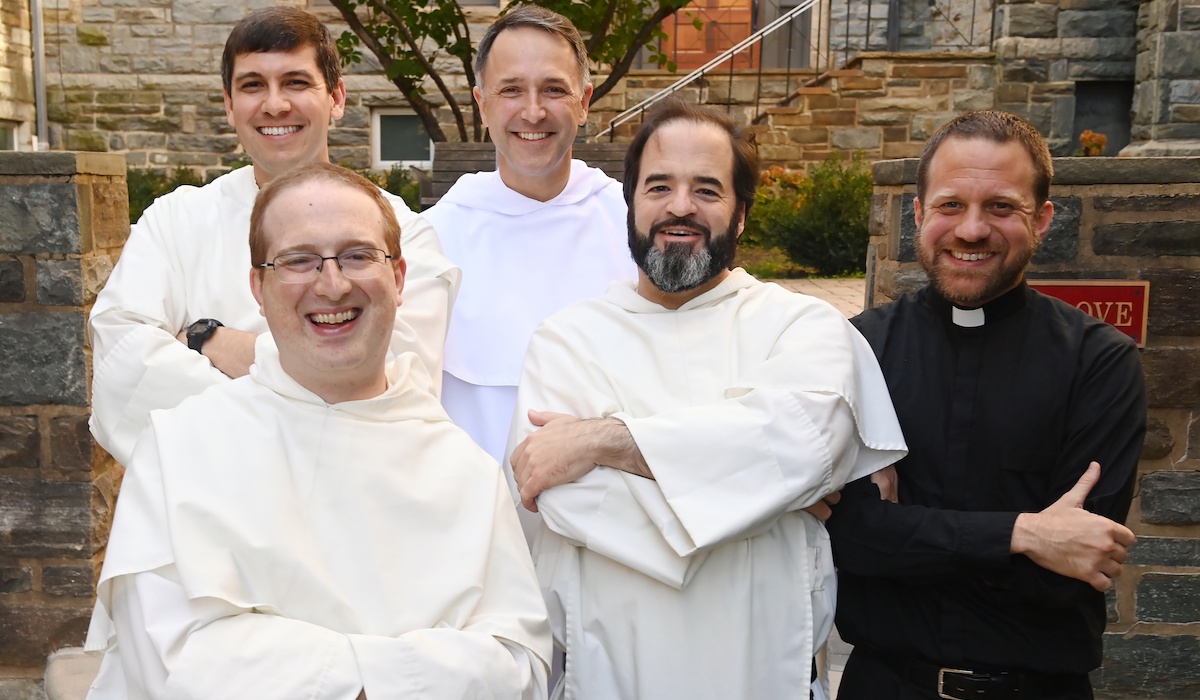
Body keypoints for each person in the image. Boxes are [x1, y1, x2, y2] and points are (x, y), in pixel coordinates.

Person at [83, 163, 550, 700]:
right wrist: (393, 677)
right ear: (258, 286)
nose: (333, 285)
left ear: (400, 279)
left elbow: (518, 664)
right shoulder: (178, 449)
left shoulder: (465, 469)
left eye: (357, 255)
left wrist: (331, 673)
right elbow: (173, 661)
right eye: (299, 261)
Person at [504, 98, 908, 700]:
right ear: (632, 204)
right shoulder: (567, 339)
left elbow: (801, 443)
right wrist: (762, 495)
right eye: (659, 185)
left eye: (708, 190)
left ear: (741, 215)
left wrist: (599, 439)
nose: (680, 206)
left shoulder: (805, 327)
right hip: (612, 676)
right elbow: (564, 501)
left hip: (768, 673)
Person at [827, 110, 1146, 700]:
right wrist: (1025, 534)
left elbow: (1067, 575)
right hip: (885, 687)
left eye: (1001, 207)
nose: (971, 230)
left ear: (1043, 219)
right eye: (950, 205)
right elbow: (848, 539)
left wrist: (905, 536)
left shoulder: (1100, 364)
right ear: (919, 214)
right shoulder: (856, 351)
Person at [89, 6, 459, 468]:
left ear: (337, 98)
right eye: (252, 85)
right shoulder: (174, 222)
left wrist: (209, 340)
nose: (275, 104)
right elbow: (121, 369)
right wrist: (312, 393)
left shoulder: (406, 234)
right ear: (229, 105)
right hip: (211, 512)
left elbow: (398, 387)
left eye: (296, 82)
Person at [421, 6, 636, 463]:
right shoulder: (433, 236)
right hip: (474, 498)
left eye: (555, 90)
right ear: (482, 104)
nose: (533, 112)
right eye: (511, 90)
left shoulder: (632, 224)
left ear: (584, 102)